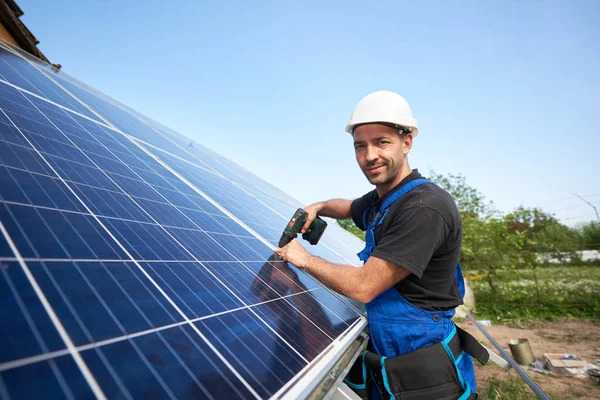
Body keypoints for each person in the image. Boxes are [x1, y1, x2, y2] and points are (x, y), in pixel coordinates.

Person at [275, 91, 487, 399]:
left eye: (382, 142)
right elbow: (348, 208)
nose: (369, 155)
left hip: (422, 361)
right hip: (391, 354)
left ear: (407, 142)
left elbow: (365, 287)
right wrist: (318, 207)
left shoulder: (423, 206)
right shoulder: (385, 199)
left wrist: (303, 258)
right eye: (360, 145)